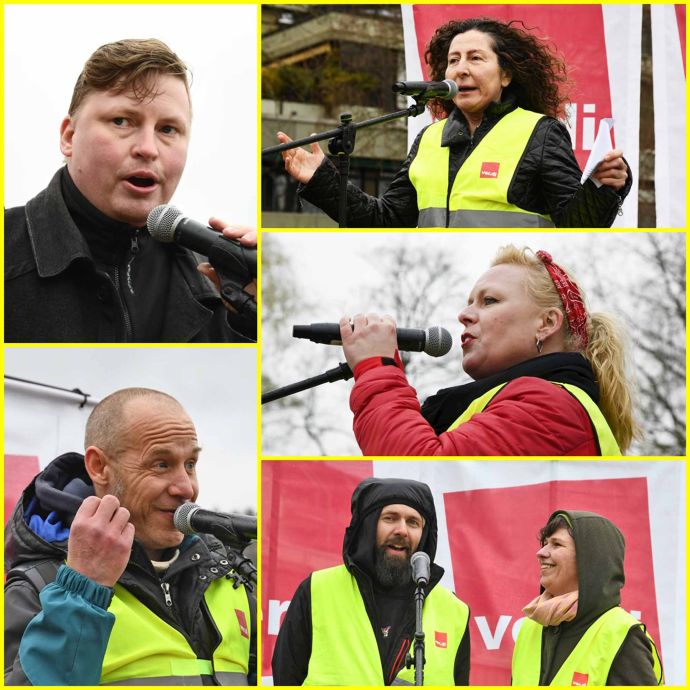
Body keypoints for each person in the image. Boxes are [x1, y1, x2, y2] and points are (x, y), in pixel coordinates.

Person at [5, 38, 256, 343]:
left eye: (167, 129)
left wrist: (252, 321)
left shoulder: (226, 281)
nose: (148, 149)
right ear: (69, 137)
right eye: (122, 121)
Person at [4, 387, 256, 685]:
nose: (186, 488)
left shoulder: (230, 579)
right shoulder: (38, 586)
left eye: (190, 464)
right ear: (99, 467)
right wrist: (84, 591)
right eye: (161, 464)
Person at [276, 17, 631, 228]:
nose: (461, 68)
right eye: (454, 60)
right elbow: (386, 220)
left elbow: (576, 224)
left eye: (476, 58)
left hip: (515, 283)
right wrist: (322, 179)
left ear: (506, 75)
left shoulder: (540, 132)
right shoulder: (429, 138)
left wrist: (604, 186)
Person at [339, 245, 637, 456]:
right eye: (469, 302)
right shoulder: (526, 402)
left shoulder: (550, 407)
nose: (464, 314)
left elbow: (419, 471)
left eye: (489, 301)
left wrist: (376, 370)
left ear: (547, 323)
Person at [272, 477, 470, 685]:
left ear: (424, 534)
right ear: (368, 525)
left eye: (413, 522)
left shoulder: (455, 612)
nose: (402, 530)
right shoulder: (316, 590)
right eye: (390, 518)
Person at [512, 510, 663, 685]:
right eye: (544, 543)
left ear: (590, 559)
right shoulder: (530, 626)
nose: (541, 552)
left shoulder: (622, 635)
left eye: (556, 544)